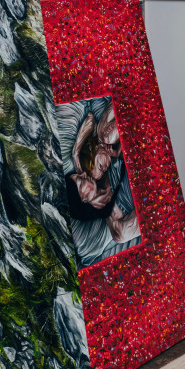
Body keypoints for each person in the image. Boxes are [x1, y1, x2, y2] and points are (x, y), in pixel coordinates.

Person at [65, 103, 139, 266]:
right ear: (83, 199)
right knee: (120, 234)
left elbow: (90, 118)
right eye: (80, 180)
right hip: (134, 190)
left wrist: (75, 154)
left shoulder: (90, 171)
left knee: (106, 137)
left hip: (127, 137)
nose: (83, 175)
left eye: (80, 175)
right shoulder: (110, 217)